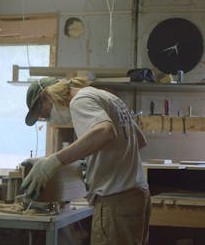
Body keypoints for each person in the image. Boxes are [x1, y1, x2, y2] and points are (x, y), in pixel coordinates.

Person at [21, 77, 151, 245]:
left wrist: (54, 161)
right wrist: (92, 160)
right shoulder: (106, 96)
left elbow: (105, 131)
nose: (47, 119)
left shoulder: (79, 101)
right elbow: (140, 140)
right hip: (137, 197)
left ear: (47, 97)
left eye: (44, 114)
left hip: (115, 201)